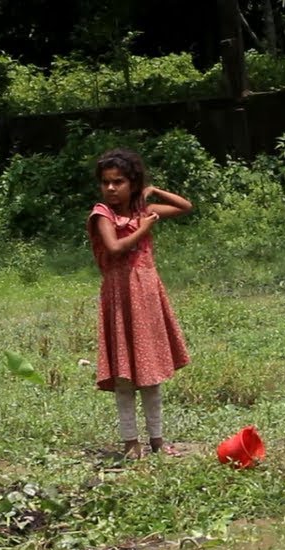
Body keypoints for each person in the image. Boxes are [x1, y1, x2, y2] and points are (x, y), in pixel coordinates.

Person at [87, 149, 193, 459]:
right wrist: (144, 228)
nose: (110, 188)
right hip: (120, 298)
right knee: (124, 376)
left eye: (118, 182)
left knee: (150, 373)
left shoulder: (142, 209)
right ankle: (131, 443)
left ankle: (158, 440)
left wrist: (154, 190)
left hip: (146, 296)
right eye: (106, 183)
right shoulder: (102, 214)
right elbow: (114, 247)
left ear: (132, 183)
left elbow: (185, 206)